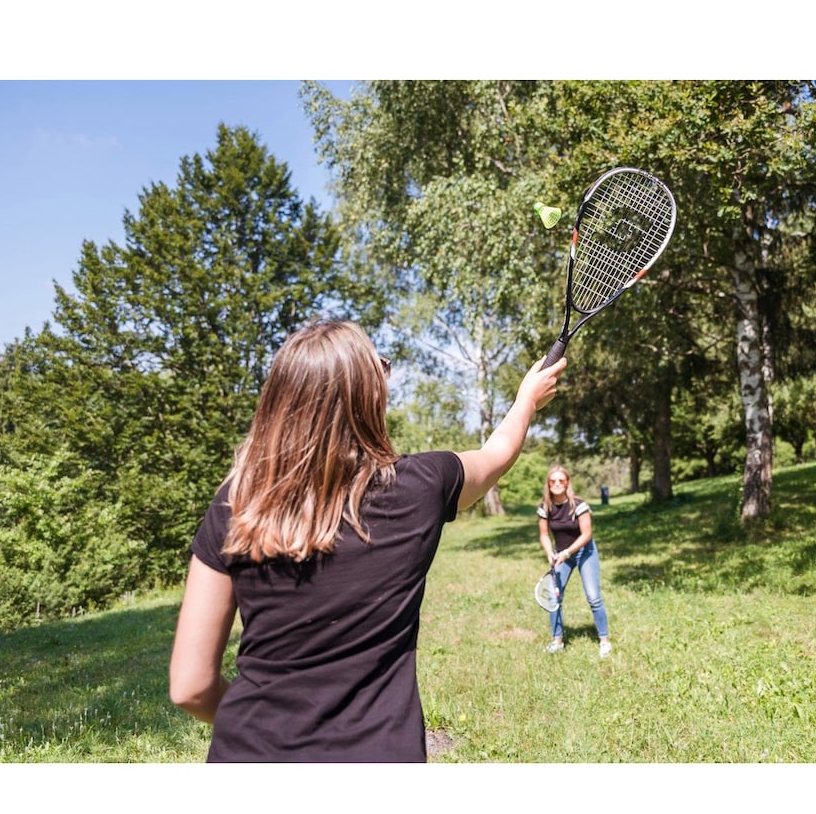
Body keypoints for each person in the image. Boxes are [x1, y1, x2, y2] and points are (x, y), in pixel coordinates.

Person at [169, 318, 565, 762]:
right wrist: (526, 400)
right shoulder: (419, 487)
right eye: (382, 367)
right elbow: (495, 455)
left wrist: (265, 728)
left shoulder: (237, 503)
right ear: (367, 395)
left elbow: (190, 686)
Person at [537, 466, 611, 658]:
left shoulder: (578, 504)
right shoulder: (545, 507)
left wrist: (568, 553)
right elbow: (544, 534)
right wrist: (549, 553)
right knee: (554, 598)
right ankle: (557, 641)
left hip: (584, 552)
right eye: (553, 481)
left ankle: (604, 641)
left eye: (561, 480)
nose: (557, 484)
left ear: (567, 483)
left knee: (593, 597)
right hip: (561, 555)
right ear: (548, 484)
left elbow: (587, 534)